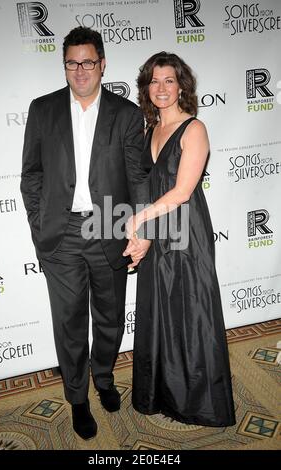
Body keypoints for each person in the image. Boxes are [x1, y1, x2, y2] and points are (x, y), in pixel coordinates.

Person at [20, 26, 150, 440]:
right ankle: (77, 396)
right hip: (61, 234)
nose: (80, 70)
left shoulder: (127, 114)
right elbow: (32, 176)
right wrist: (40, 224)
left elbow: (138, 178)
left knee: (110, 316)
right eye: (72, 63)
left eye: (88, 62)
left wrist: (139, 228)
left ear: (102, 64)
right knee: (70, 320)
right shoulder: (42, 110)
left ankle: (105, 379)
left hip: (109, 226)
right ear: (65, 66)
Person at [125, 52, 236, 427]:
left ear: (181, 86)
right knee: (160, 311)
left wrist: (138, 219)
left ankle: (201, 403)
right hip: (159, 232)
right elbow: (145, 187)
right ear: (146, 87)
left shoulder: (194, 129)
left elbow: (183, 192)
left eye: (169, 80)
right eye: (154, 81)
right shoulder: (147, 130)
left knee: (193, 312)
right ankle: (162, 395)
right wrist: (142, 236)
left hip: (187, 233)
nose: (161, 88)